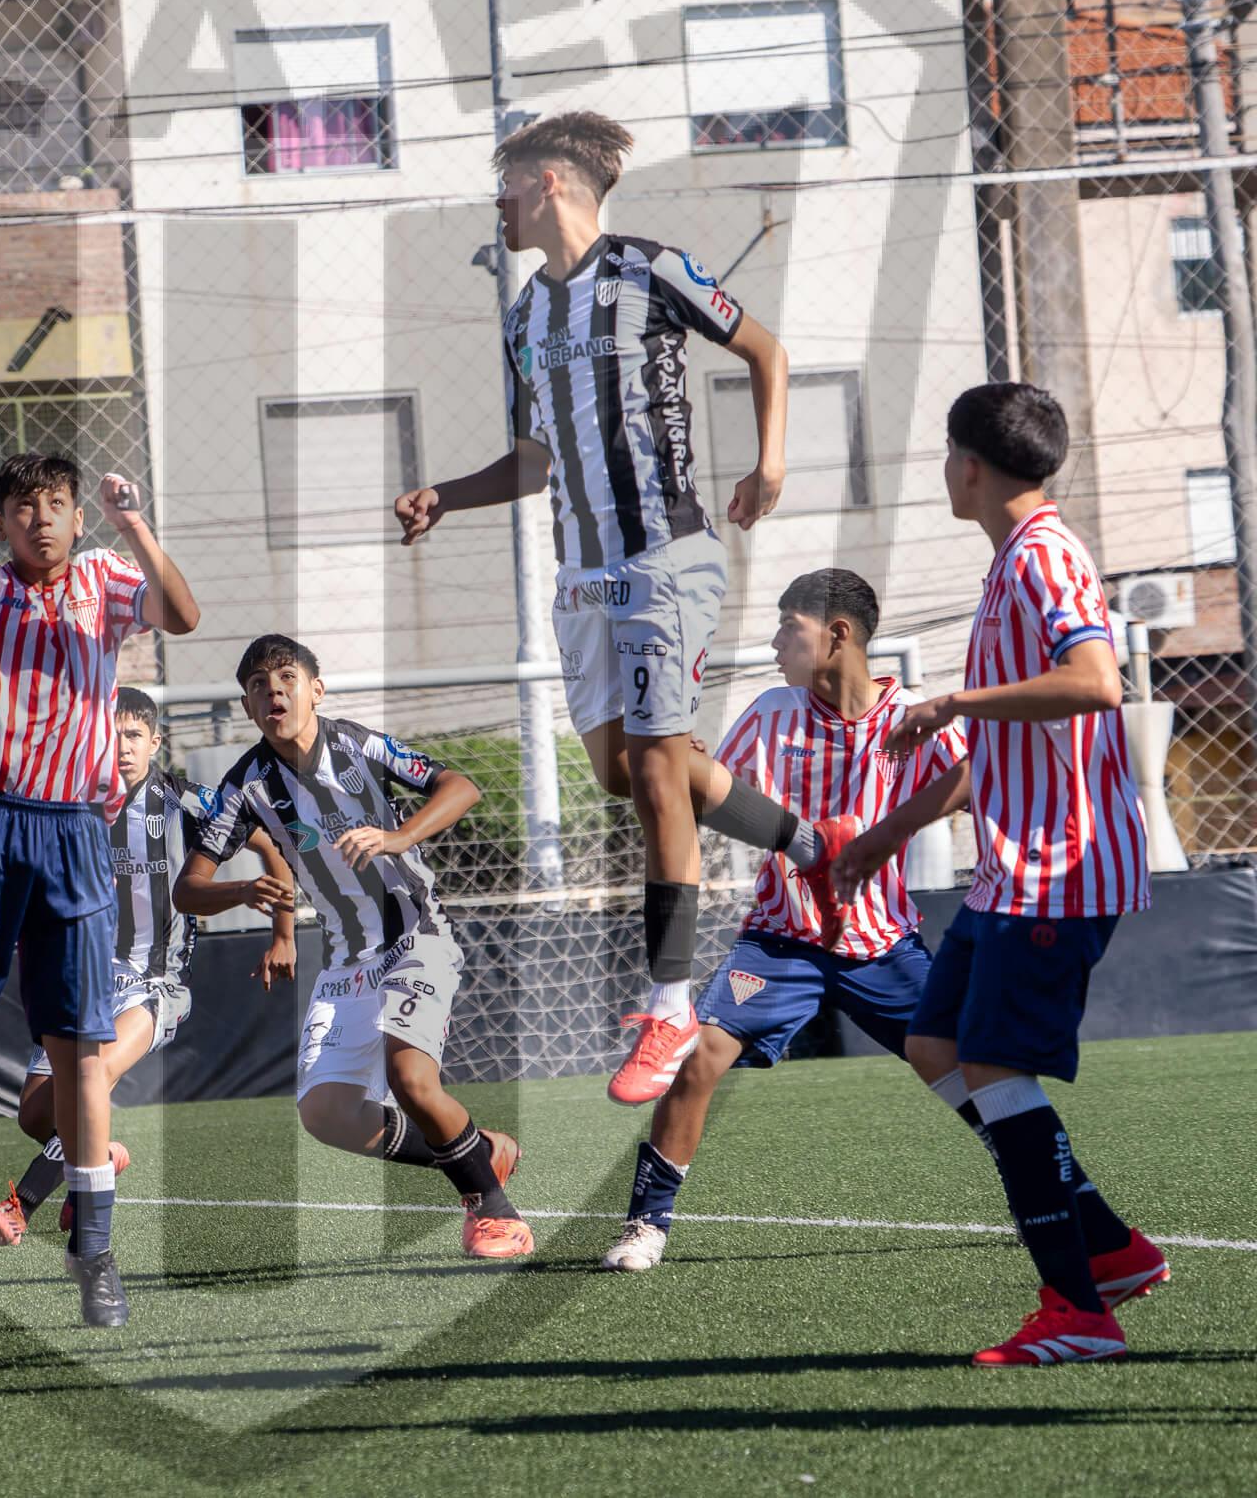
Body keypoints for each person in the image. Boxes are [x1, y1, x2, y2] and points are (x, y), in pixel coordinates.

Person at [393, 109, 836, 1109]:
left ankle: (670, 1003)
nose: (497, 206)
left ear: (548, 181)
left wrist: (768, 462)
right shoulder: (523, 318)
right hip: (582, 574)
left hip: (663, 555)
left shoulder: (651, 268)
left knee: (656, 771)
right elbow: (537, 458)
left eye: (506, 187)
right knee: (626, 773)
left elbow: (765, 350)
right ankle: (805, 843)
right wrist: (446, 495)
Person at [833, 383, 1168, 1365]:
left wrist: (951, 701)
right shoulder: (1011, 561)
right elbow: (1000, 752)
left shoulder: (1042, 556)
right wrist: (890, 830)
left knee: (990, 1064)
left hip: (1057, 870)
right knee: (933, 1042)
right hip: (1009, 872)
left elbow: (1095, 681)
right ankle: (1108, 1247)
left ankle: (1077, 1311)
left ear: (969, 465)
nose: (944, 470)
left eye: (945, 454)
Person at [0, 414, 200, 1330]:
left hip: (73, 836)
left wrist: (135, 525)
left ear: (77, 517)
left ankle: (93, 1249)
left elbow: (183, 614)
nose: (42, 519)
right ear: (4, 522)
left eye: (56, 504)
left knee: (78, 1052)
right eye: (24, 507)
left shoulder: (105, 578)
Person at [599, 569, 965, 1272]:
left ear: (838, 634)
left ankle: (1041, 1193)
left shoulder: (912, 720)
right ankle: (647, 1225)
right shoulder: (771, 711)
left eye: (787, 626)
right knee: (698, 1057)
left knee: (965, 1067)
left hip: (882, 944)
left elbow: (980, 784)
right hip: (779, 940)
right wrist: (692, 770)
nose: (773, 641)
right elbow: (721, 798)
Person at [174, 635, 533, 1259]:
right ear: (248, 707)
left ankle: (495, 1212)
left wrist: (399, 836)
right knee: (326, 1115)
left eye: (287, 677)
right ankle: (481, 1152)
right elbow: (187, 889)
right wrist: (240, 891)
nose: (274, 691)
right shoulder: (246, 786)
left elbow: (461, 786)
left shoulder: (358, 746)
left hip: (415, 935)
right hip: (346, 962)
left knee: (409, 1078)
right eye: (258, 686)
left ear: (316, 689)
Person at [0, 687, 293, 1244]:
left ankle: (19, 1206)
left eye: (133, 735)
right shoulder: (74, 803)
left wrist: (284, 934)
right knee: (35, 1116)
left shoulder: (186, 802)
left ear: (154, 742)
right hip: (83, 980)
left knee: (90, 1076)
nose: (121, 747)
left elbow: (272, 846)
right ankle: (99, 1158)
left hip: (155, 983)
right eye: (111, 735)